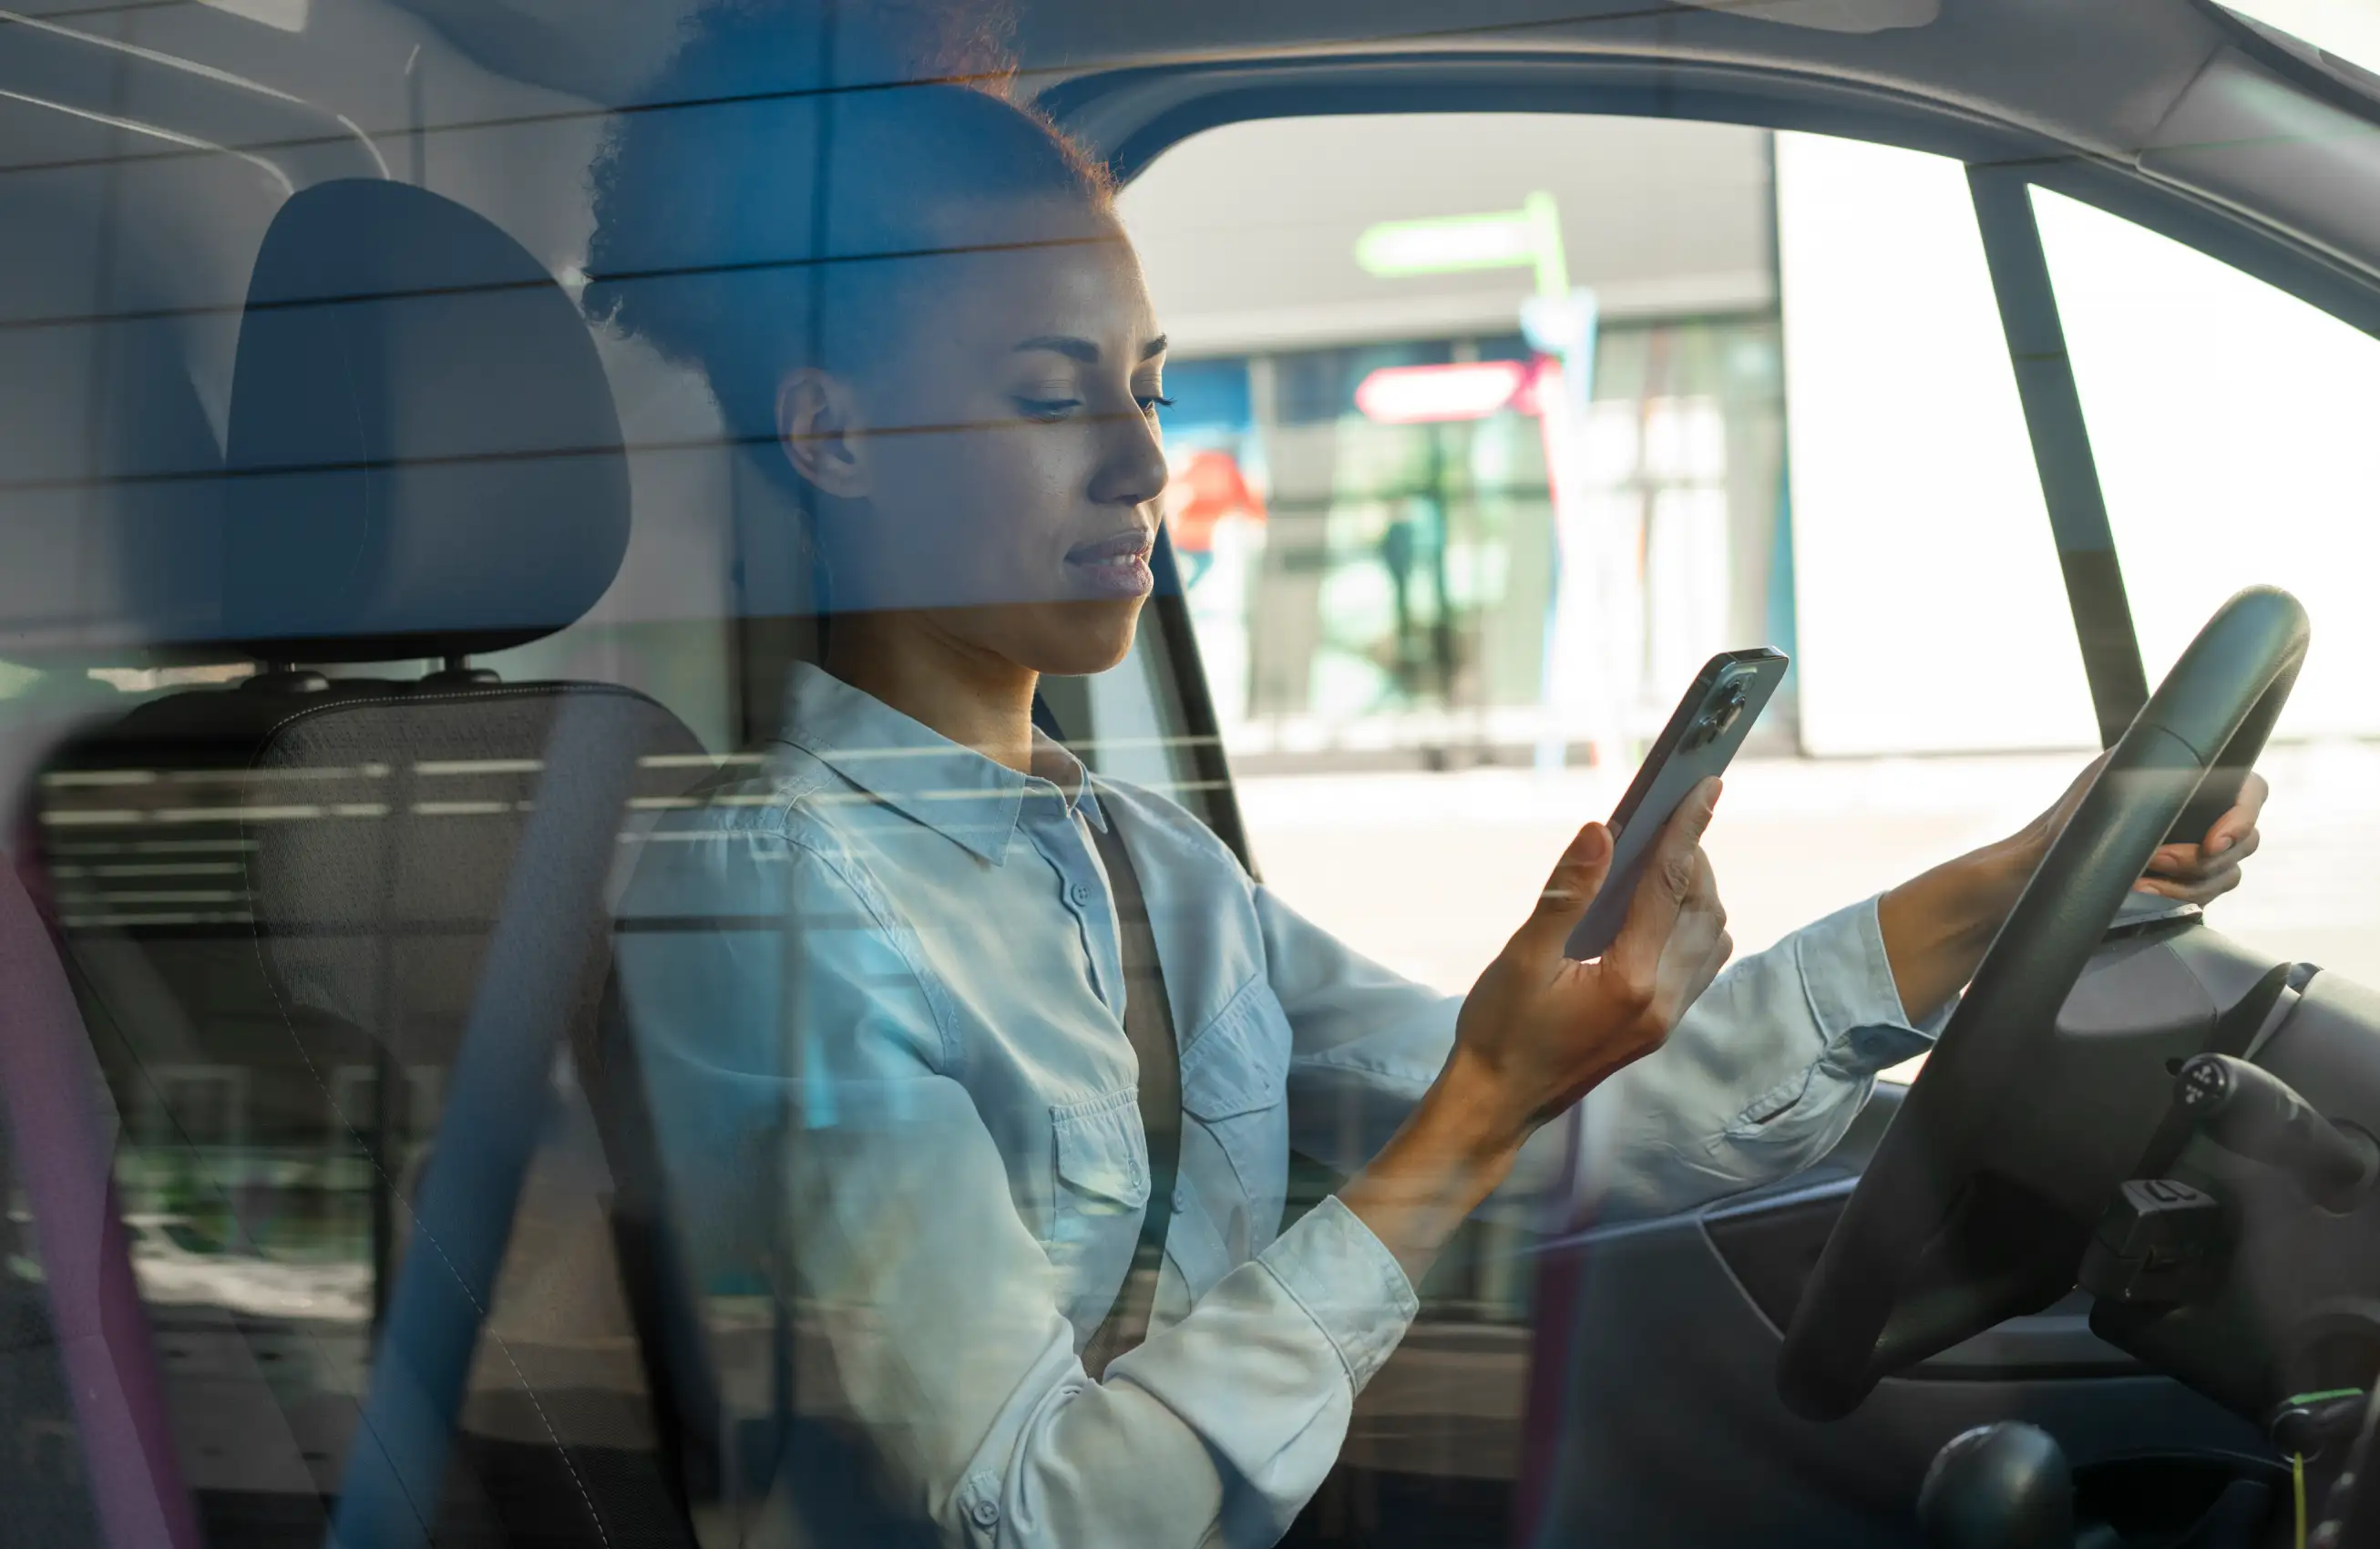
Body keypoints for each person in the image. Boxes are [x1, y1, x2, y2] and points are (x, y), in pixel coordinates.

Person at [590, 5, 2269, 1544]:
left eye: (1149, 387)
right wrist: (1471, 1117)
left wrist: (2024, 880)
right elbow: (1050, 1514)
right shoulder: (774, 905)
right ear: (834, 436)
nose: (1144, 459)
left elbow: (1562, 1132)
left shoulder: (1149, 866)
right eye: (1051, 396)